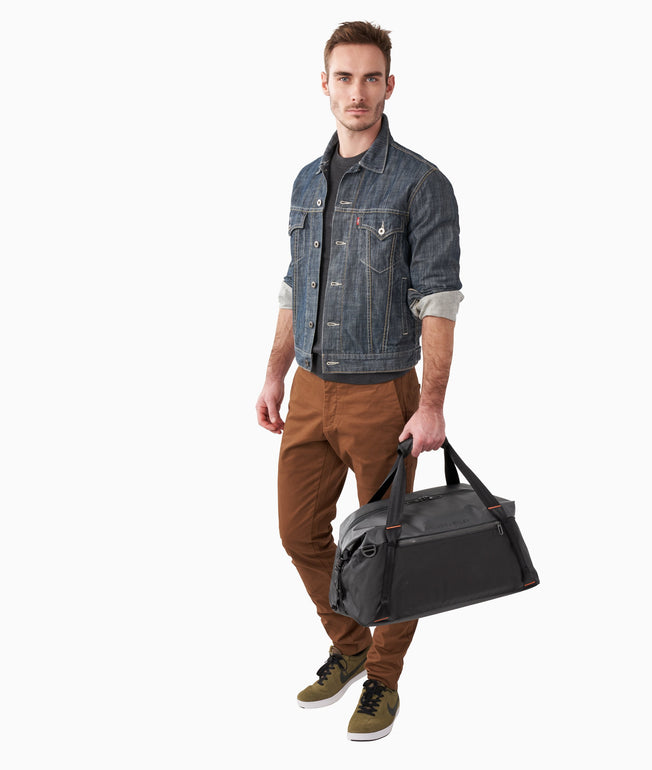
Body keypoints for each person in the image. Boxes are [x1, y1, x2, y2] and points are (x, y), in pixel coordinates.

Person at [255, 20, 462, 741]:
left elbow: (438, 301)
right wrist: (274, 373)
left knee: (391, 548)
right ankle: (348, 645)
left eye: (371, 77)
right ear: (324, 84)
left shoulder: (422, 184)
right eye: (344, 77)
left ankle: (383, 676)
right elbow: (295, 285)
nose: (357, 92)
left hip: (383, 397)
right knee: (298, 531)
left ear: (389, 85)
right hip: (310, 390)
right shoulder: (306, 181)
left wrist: (431, 404)